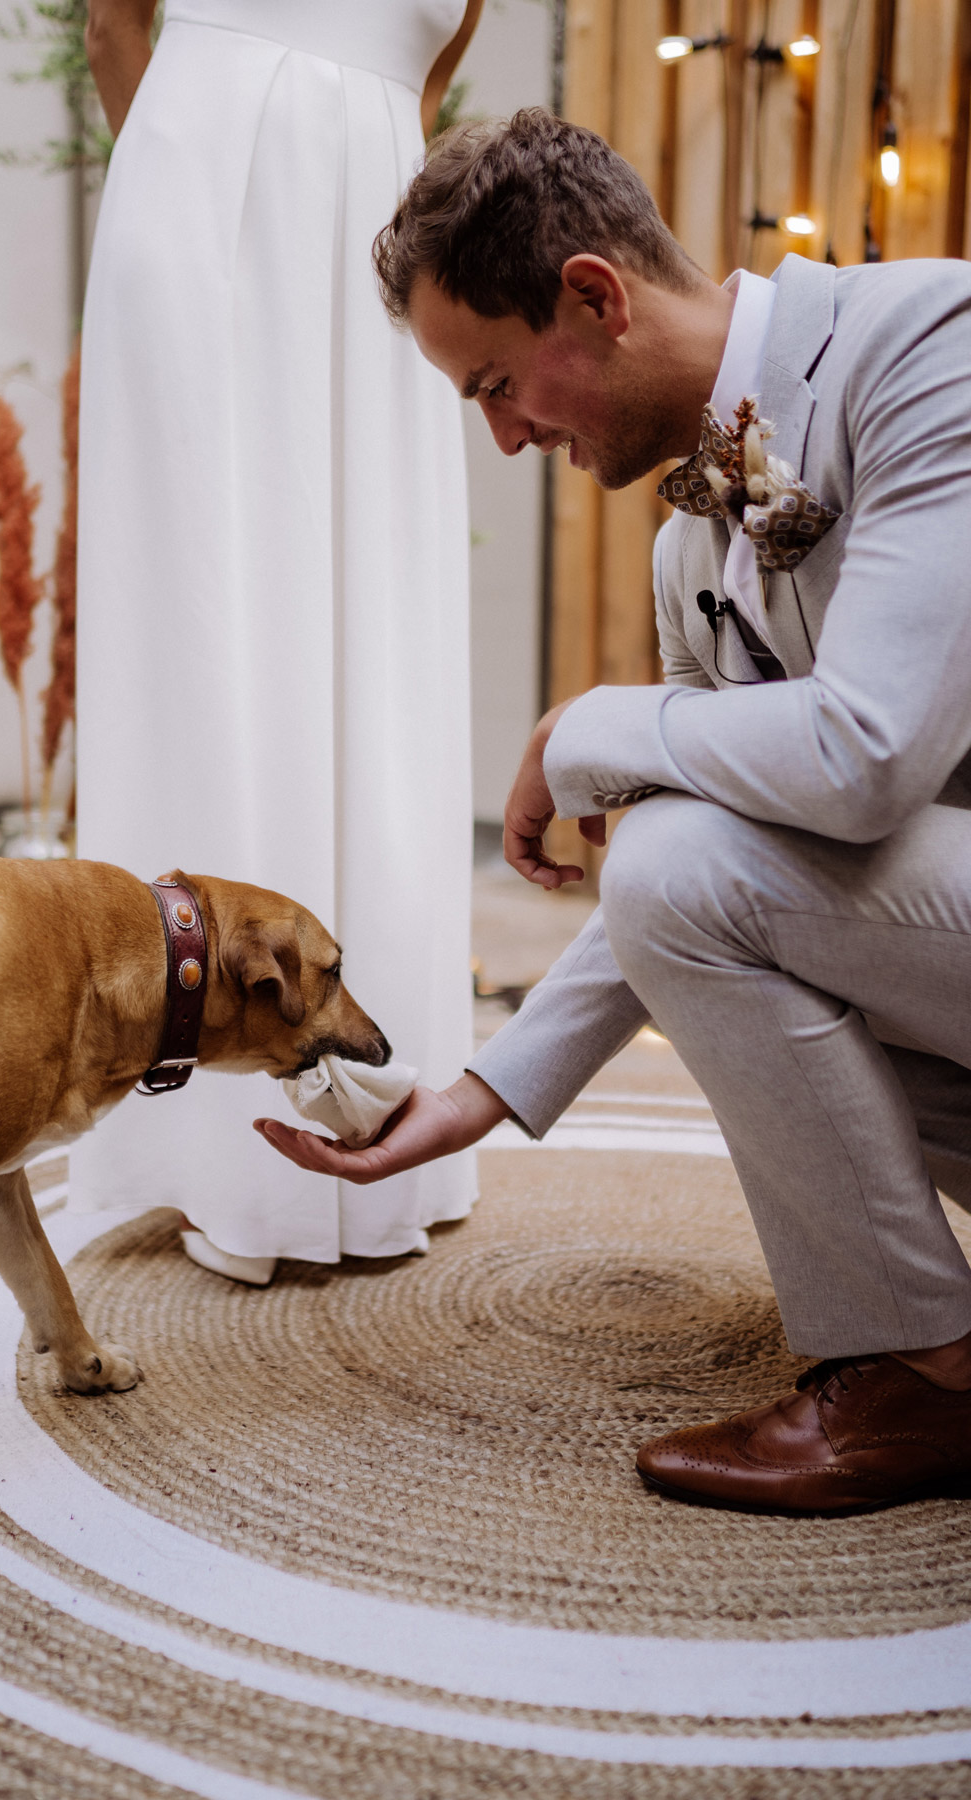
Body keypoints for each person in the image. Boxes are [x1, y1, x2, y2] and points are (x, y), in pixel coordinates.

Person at [258, 106, 971, 1512]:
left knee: (670, 851)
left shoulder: (927, 344)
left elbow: (869, 756)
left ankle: (931, 1375)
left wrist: (587, 728)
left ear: (594, 295)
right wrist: (478, 1097)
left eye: (495, 385)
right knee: (673, 858)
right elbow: (708, 888)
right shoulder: (683, 550)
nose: (506, 438)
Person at [71, 0, 484, 1282]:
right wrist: (193, 203)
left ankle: (368, 1117)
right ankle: (219, 1145)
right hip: (230, 205)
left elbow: (420, 91)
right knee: (226, 628)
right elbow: (114, 27)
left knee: (359, 650)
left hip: (358, 228)